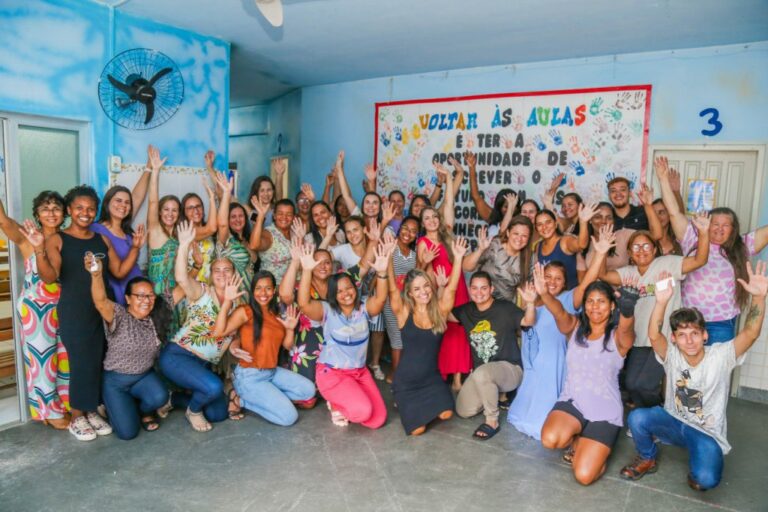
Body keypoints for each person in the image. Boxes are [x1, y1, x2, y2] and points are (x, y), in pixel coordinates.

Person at [620, 262, 768, 490]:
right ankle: (648, 457)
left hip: (704, 432)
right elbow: (653, 334)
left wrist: (759, 298)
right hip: (673, 421)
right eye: (682, 335)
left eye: (694, 334)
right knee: (637, 418)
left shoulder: (721, 356)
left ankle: (701, 458)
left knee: (706, 480)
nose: (689, 341)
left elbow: (750, 333)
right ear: (674, 339)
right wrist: (661, 302)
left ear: (705, 335)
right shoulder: (671, 355)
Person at [33, 185, 144, 441]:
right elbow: (50, 276)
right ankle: (76, 417)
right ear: (70, 210)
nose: (85, 212)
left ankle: (91, 410)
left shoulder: (101, 238)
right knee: (81, 363)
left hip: (102, 310)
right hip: (75, 310)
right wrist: (39, 248)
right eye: (79, 208)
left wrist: (136, 247)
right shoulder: (58, 239)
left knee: (98, 360)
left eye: (90, 208)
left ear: (96, 210)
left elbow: (117, 271)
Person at [508, 227, 615, 439]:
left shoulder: (569, 299)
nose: (552, 282)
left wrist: (600, 253)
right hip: (534, 366)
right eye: (548, 277)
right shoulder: (532, 300)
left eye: (558, 279)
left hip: (556, 366)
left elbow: (586, 285)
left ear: (565, 283)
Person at [538, 270, 639, 486]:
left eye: (601, 301)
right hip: (574, 401)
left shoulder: (617, 338)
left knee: (584, 476)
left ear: (612, 306)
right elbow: (558, 313)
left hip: (604, 410)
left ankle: (592, 452)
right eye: (590, 301)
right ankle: (577, 439)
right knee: (549, 439)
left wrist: (628, 309)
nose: (595, 306)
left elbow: (627, 330)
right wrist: (544, 294)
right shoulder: (575, 329)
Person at [601, 214, 710, 408]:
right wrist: (602, 250)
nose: (641, 251)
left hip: (663, 338)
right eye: (636, 247)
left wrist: (703, 233)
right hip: (639, 339)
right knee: (631, 384)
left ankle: (653, 417)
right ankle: (650, 415)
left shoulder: (668, 263)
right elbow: (602, 275)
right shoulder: (627, 273)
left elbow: (700, 260)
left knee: (645, 384)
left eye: (646, 246)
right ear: (630, 252)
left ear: (654, 249)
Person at [656, 155, 768, 344]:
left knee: (716, 373)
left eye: (726, 225)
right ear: (706, 222)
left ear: (734, 229)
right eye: (715, 223)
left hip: (722, 323)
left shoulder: (742, 245)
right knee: (685, 373)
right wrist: (663, 179)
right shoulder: (692, 237)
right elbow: (674, 212)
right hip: (688, 321)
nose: (719, 229)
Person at [297, 241, 391, 429]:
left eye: (348, 288)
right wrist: (307, 270)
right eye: (339, 291)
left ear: (355, 289)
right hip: (332, 372)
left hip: (359, 372)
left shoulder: (364, 307)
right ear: (333, 295)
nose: (346, 293)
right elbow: (304, 304)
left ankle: (347, 399)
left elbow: (380, 299)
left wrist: (382, 273)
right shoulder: (327, 310)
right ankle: (336, 403)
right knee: (362, 412)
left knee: (377, 420)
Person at [157, 221, 238, 432]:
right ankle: (193, 411)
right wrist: (184, 245)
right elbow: (182, 278)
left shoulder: (238, 303)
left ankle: (175, 399)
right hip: (178, 356)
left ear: (234, 274)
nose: (221, 274)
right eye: (217, 270)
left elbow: (233, 335)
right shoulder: (201, 291)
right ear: (211, 275)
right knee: (213, 387)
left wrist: (236, 344)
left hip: (203, 365)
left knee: (218, 413)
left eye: (226, 270)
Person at [87, 258, 178, 440]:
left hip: (143, 376)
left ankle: (142, 410)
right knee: (128, 433)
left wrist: (197, 266)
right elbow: (100, 301)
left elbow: (181, 289)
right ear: (128, 298)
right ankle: (112, 404)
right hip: (116, 382)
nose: (146, 300)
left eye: (150, 295)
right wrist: (96, 275)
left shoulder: (156, 313)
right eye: (140, 296)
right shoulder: (119, 316)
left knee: (159, 398)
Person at [211, 271, 316, 426]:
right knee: (289, 418)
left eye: (268, 288)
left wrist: (290, 329)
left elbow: (287, 346)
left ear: (274, 291)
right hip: (250, 376)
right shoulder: (245, 311)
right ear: (253, 291)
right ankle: (241, 400)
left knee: (309, 390)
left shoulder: (276, 315)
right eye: (258, 288)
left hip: (272, 371)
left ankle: (270, 397)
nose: (263, 293)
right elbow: (218, 333)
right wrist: (227, 301)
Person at [389, 237, 469, 435]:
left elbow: (451, 288)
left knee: (447, 414)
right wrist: (387, 264)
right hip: (406, 382)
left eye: (426, 286)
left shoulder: (440, 311)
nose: (423, 291)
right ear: (410, 293)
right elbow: (392, 289)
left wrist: (458, 258)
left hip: (431, 379)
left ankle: (421, 407)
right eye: (417, 289)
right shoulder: (403, 312)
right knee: (418, 430)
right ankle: (402, 400)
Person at [2, 193, 69, 428]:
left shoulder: (68, 239)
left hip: (64, 308)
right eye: (45, 208)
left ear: (64, 213)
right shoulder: (27, 238)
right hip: (36, 309)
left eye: (56, 207)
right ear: (37, 214)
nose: (51, 212)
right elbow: (3, 221)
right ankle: (48, 412)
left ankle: (64, 405)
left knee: (65, 360)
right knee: (41, 363)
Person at [448, 272, 536, 440]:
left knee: (482, 372)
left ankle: (492, 421)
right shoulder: (466, 311)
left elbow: (528, 321)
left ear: (491, 289)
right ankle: (495, 394)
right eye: (474, 288)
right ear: (469, 289)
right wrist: (444, 288)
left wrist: (531, 304)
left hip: (511, 370)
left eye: (483, 288)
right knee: (463, 410)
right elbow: (442, 314)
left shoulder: (505, 308)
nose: (478, 293)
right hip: (484, 374)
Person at [417, 202, 469, 391]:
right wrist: (425, 261)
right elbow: (419, 272)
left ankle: (458, 379)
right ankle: (442, 374)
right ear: (423, 223)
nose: (431, 220)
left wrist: (448, 177)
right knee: (444, 332)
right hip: (440, 288)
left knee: (461, 330)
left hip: (459, 285)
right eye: (427, 218)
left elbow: (450, 204)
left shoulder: (448, 239)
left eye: (434, 216)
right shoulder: (423, 242)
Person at [278, 241, 332, 382]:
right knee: (307, 400)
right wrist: (296, 261)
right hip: (305, 347)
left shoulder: (338, 284)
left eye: (327, 262)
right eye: (317, 262)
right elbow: (285, 294)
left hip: (334, 346)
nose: (323, 266)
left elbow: (361, 268)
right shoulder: (301, 286)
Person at [91, 185, 144, 305]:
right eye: (118, 200)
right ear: (107, 202)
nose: (123, 205)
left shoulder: (129, 234)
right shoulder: (96, 229)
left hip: (137, 294)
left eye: (127, 202)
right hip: (117, 294)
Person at [382, 217, 419, 378]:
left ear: (417, 235)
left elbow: (415, 277)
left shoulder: (414, 255)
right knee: (397, 339)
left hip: (408, 303)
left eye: (413, 231)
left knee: (403, 338)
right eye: (405, 228)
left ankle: (398, 374)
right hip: (391, 300)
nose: (407, 233)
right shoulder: (390, 247)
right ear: (399, 229)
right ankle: (394, 376)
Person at [462, 216, 533, 302]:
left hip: (506, 307)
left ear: (529, 238)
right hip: (481, 301)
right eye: (516, 233)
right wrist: (480, 250)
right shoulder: (495, 246)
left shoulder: (530, 258)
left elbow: (528, 290)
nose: (519, 239)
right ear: (508, 233)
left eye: (524, 236)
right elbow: (466, 267)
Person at [145, 145, 181, 296]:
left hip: (175, 292)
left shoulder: (178, 235)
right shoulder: (155, 230)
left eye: (174, 210)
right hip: (156, 293)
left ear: (179, 214)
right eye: (166, 209)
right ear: (159, 212)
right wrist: (155, 171)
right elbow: (153, 202)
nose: (170, 214)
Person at [215, 174, 255, 293]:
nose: (237, 220)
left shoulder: (250, 238)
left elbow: (258, 219)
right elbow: (222, 224)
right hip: (231, 294)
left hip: (249, 293)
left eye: (241, 216)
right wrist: (227, 193)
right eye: (233, 217)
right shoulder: (227, 239)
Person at [250, 198, 298, 283]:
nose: (284, 217)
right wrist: (260, 217)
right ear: (274, 215)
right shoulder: (269, 233)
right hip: (273, 288)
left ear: (294, 217)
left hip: (294, 286)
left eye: (289, 214)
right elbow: (254, 245)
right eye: (280, 213)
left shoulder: (296, 232)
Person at [534, 209, 583, 290]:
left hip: (569, 297)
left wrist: (583, 222)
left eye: (548, 222)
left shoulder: (565, 241)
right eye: (539, 224)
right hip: (549, 297)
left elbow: (581, 245)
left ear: (556, 224)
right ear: (536, 229)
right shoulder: (538, 246)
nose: (544, 227)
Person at [180, 184, 218, 283]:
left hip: (211, 286)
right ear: (184, 212)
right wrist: (212, 198)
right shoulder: (187, 232)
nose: (196, 211)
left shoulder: (206, 229)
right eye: (190, 208)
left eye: (198, 206)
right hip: (194, 286)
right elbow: (212, 228)